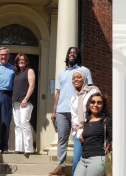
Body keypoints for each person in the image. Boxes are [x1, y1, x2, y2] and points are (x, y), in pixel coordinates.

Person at [49, 47, 93, 175]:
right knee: (62, 138)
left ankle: (78, 168)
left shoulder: (84, 71)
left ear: (78, 56)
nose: (72, 54)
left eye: (74, 53)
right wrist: (54, 111)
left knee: (79, 138)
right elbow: (58, 92)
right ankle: (60, 166)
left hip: (78, 109)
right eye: (70, 53)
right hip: (62, 110)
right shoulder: (61, 73)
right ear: (67, 55)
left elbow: (89, 89)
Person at [74, 93, 112, 176]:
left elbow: (115, 140)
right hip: (83, 159)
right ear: (89, 105)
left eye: (99, 102)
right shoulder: (87, 122)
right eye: (93, 102)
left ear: (103, 105)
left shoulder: (106, 121)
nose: (95, 105)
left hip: (97, 158)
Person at [70, 70, 100, 175]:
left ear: (84, 78)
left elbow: (97, 110)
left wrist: (87, 130)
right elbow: (74, 119)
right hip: (80, 133)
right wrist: (79, 132)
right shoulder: (73, 98)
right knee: (76, 161)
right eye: (73, 78)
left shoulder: (93, 91)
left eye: (78, 77)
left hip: (93, 131)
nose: (75, 80)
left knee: (93, 164)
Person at [12, 53, 35, 155]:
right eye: (19, 60)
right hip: (15, 102)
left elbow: (32, 85)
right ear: (16, 62)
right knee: (18, 125)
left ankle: (28, 149)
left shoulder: (29, 71)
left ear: (26, 62)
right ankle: (18, 148)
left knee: (24, 123)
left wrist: (26, 98)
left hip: (25, 101)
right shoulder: (16, 73)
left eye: (23, 60)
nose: (21, 61)